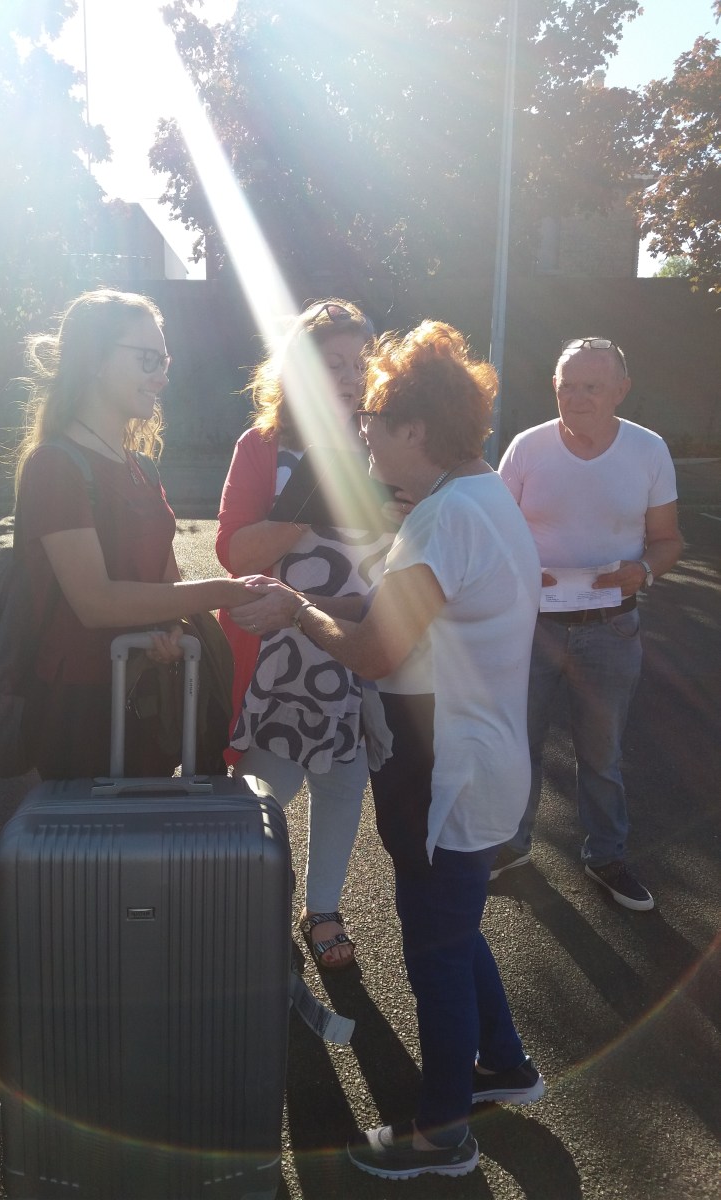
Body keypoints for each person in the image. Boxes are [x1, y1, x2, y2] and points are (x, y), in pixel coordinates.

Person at [231, 320, 545, 1179]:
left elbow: (374, 650)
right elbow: (398, 616)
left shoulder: (446, 518)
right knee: (454, 924)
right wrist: (308, 602)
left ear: (414, 427)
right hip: (467, 754)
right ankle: (503, 1062)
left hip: (445, 764)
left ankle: (442, 1134)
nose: (361, 429)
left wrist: (298, 611)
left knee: (434, 947)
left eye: (373, 415)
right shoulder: (476, 497)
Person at [216, 299, 399, 972]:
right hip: (275, 658)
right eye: (334, 365)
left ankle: (322, 909)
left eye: (360, 363)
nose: (352, 378)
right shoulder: (263, 445)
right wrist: (310, 501)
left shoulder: (388, 444)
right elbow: (234, 553)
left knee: (345, 782)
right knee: (264, 792)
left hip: (355, 644)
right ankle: (248, 903)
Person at [13, 288, 254, 780]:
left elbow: (167, 582)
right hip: (82, 709)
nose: (162, 377)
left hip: (147, 694)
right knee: (94, 834)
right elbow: (95, 603)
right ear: (95, 360)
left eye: (164, 361)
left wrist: (174, 628)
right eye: (147, 359)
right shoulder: (55, 466)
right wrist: (224, 592)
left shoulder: (141, 466)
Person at [494, 337, 683, 911]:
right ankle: (510, 847)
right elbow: (492, 530)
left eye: (591, 387)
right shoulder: (527, 448)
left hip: (611, 627)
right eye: (566, 386)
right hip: (531, 626)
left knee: (602, 755)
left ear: (621, 391)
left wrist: (642, 571)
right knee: (517, 743)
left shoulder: (648, 450)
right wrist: (522, 571)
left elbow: (668, 540)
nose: (576, 398)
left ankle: (606, 855)